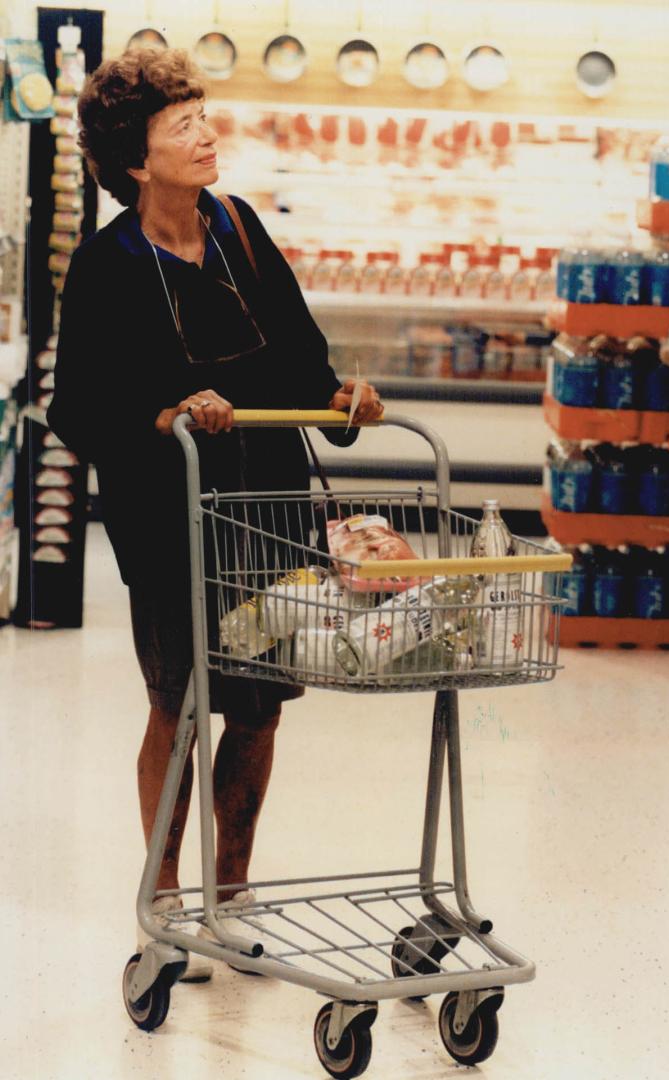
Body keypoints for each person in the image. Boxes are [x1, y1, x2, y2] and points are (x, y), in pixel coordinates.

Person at [47, 47, 383, 982]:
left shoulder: (238, 227)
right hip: (170, 513)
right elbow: (76, 407)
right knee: (181, 702)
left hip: (268, 496)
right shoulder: (107, 266)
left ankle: (230, 897)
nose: (205, 131)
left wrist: (342, 398)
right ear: (134, 158)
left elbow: (305, 360)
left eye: (203, 112)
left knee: (261, 708)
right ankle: (161, 899)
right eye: (180, 123)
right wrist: (161, 417)